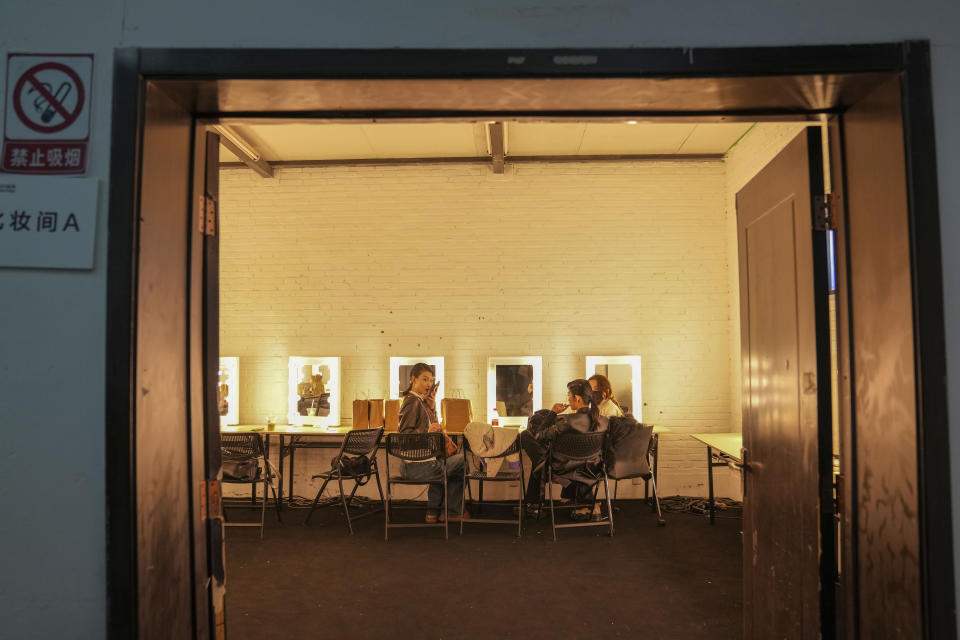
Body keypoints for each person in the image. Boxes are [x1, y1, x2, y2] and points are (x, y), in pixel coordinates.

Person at [523, 378, 609, 519]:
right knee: (541, 461)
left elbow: (539, 436)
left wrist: (552, 413)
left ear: (577, 398)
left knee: (526, 437)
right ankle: (545, 500)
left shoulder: (566, 422)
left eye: (569, 396)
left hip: (562, 469)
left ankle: (534, 504)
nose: (568, 400)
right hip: (592, 469)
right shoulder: (604, 421)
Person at [398, 362, 469, 523]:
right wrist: (427, 433)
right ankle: (451, 510)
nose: (429, 384)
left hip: (421, 463)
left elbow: (432, 425)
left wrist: (432, 406)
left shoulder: (420, 402)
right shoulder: (411, 402)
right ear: (413, 379)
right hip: (414, 467)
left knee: (443, 461)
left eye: (431, 380)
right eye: (424, 379)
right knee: (461, 463)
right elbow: (405, 438)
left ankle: (434, 512)